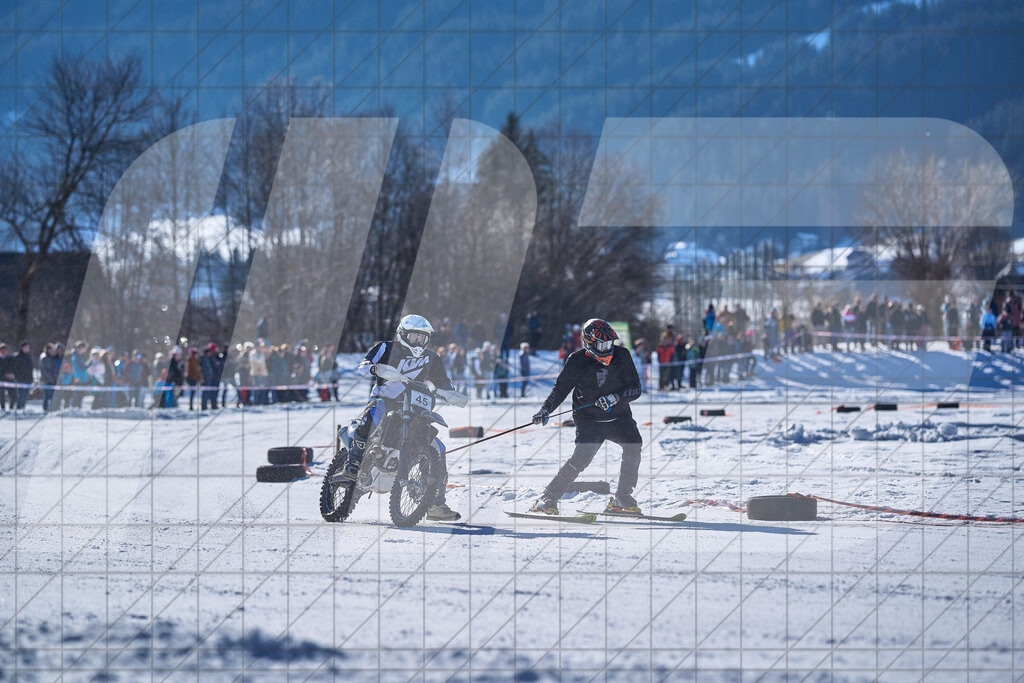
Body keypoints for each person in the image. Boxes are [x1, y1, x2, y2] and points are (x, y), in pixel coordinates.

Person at [339, 314, 461, 522]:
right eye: (413, 337)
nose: (417, 342)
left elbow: (443, 382)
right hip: (385, 399)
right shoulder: (386, 347)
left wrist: (452, 393)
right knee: (374, 415)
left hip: (414, 405)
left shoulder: (431, 357)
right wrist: (374, 368)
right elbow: (363, 365)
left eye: (421, 338)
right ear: (403, 335)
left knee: (438, 448)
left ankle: (435, 502)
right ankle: (352, 464)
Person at [528, 318, 644, 516]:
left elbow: (636, 389)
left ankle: (622, 497)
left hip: (619, 416)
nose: (608, 349)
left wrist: (615, 398)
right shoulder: (577, 360)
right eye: (602, 344)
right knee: (581, 458)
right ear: (589, 343)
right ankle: (547, 498)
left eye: (610, 344)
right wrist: (546, 409)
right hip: (589, 419)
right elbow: (561, 389)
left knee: (634, 444)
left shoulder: (622, 355)